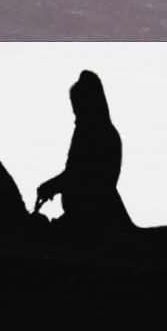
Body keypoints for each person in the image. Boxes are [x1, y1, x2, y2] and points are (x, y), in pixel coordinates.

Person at [33, 69, 133, 232]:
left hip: (91, 219)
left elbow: (81, 175)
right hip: (84, 215)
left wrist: (52, 186)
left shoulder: (97, 134)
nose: (76, 116)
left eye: (78, 109)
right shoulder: (100, 132)